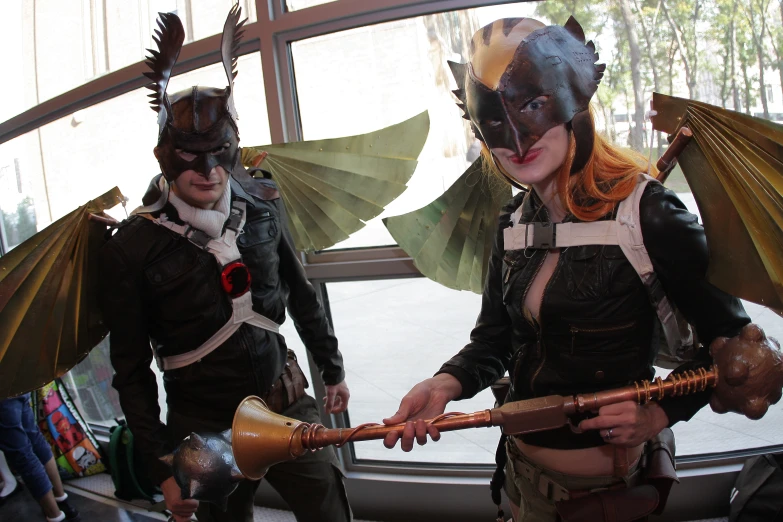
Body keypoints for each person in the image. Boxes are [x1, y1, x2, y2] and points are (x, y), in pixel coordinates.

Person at [382, 17, 750, 522]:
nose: (516, 139)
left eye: (533, 105)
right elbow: (495, 340)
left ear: (572, 100)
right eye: (495, 120)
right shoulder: (512, 222)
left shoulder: (648, 215)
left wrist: (659, 414)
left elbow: (736, 352)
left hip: (604, 493)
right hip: (517, 477)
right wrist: (445, 384)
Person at [98, 8, 352, 522]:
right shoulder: (132, 246)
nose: (209, 172)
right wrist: (163, 467)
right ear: (165, 157)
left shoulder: (261, 202)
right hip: (203, 426)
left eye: (219, 153)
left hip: (286, 400)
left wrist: (332, 367)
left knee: (327, 504)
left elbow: (300, 292)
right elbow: (131, 371)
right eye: (191, 157)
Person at [0, 395, 80, 521]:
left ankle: (56, 517)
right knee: (36, 440)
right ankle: (64, 503)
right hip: (18, 384)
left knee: (22, 455)